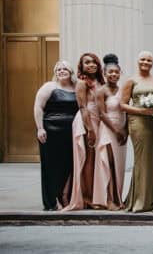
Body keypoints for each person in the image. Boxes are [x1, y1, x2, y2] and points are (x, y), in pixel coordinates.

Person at [120, 50, 153, 212]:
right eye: (143, 60)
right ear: (138, 61)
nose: (146, 62)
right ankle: (140, 200)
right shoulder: (131, 80)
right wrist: (142, 111)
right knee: (142, 159)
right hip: (138, 122)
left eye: (149, 60)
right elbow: (122, 105)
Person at [33, 61, 78, 210]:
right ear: (55, 72)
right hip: (50, 132)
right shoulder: (49, 87)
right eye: (58, 69)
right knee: (51, 167)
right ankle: (51, 201)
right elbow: (38, 107)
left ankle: (65, 196)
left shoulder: (76, 87)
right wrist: (40, 128)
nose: (61, 71)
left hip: (70, 132)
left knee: (68, 165)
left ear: (71, 72)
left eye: (65, 69)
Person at [64, 52, 105, 210]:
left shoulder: (99, 82)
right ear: (81, 66)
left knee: (96, 161)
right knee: (87, 161)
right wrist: (90, 130)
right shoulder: (81, 83)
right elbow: (82, 107)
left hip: (98, 122)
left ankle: (95, 195)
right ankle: (87, 198)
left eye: (94, 62)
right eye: (87, 62)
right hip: (86, 122)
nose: (92, 65)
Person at [92, 54, 127, 209]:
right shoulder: (101, 91)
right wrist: (116, 130)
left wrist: (125, 130)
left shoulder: (123, 90)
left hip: (122, 130)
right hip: (108, 129)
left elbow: (126, 111)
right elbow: (101, 114)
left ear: (120, 73)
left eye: (116, 72)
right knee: (109, 163)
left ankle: (119, 198)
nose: (113, 74)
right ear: (104, 74)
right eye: (110, 72)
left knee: (119, 165)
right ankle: (109, 199)